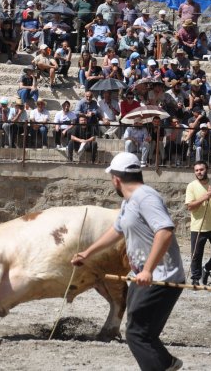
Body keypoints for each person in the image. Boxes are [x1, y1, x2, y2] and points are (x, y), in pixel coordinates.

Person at [71, 152, 184, 371]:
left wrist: (148, 270)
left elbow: (165, 231)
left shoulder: (146, 197)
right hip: (144, 277)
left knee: (137, 334)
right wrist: (88, 253)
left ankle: (165, 365)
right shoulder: (129, 201)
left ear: (116, 179)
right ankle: (168, 363)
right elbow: (117, 230)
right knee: (141, 332)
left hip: (161, 277)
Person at [185, 161, 211, 286]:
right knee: (196, 255)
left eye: (201, 169)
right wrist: (205, 197)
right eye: (196, 170)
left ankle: (207, 269)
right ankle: (195, 278)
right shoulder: (191, 186)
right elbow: (190, 207)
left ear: (207, 169)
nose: (199, 172)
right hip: (198, 227)